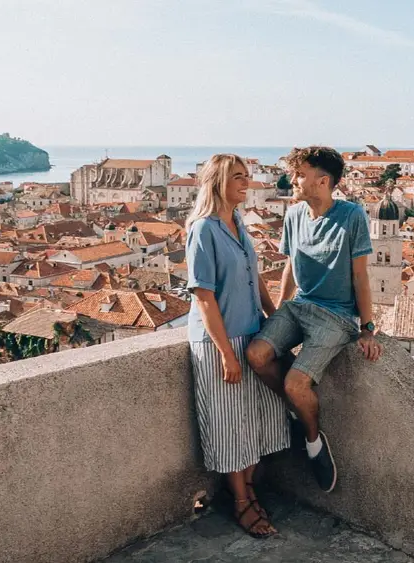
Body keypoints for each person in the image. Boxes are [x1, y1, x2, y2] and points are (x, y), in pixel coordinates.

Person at [246, 146, 383, 494]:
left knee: (296, 384)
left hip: (336, 316)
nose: (293, 180)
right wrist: (279, 311)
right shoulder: (294, 215)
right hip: (300, 306)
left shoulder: (351, 216)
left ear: (322, 181)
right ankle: (297, 410)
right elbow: (291, 267)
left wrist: (367, 329)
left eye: (300, 174)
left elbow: (360, 276)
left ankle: (313, 441)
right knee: (256, 356)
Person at [185, 153, 290, 538]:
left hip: (252, 334)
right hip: (220, 342)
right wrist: (226, 354)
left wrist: (274, 316)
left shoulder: (238, 223)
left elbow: (253, 275)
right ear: (218, 183)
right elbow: (203, 296)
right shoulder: (203, 230)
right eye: (238, 178)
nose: (247, 183)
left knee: (257, 419)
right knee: (230, 425)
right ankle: (242, 501)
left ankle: (247, 488)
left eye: (247, 176)